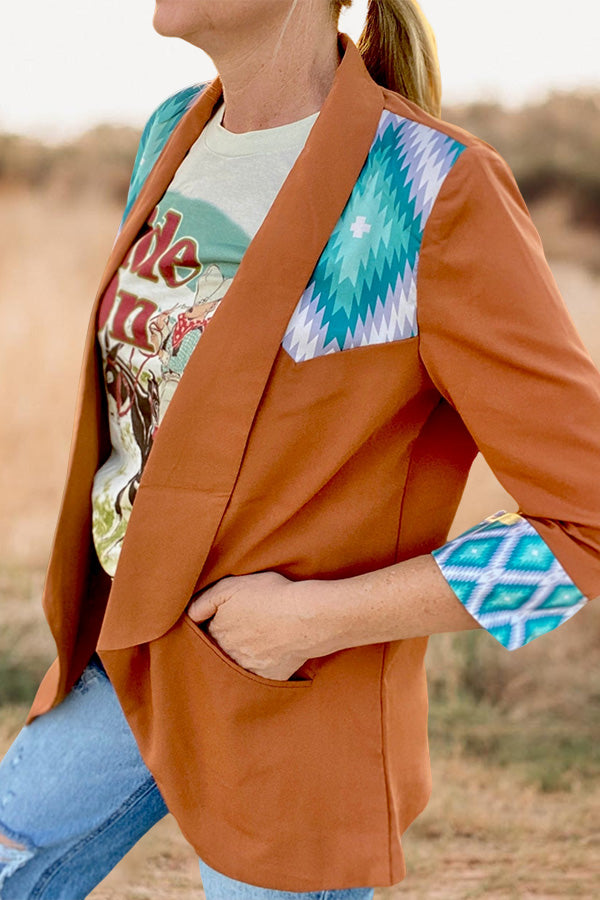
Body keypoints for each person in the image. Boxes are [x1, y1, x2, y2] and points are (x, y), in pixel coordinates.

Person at [1, 0, 599, 897]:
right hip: (130, 654)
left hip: (288, 698)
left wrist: (312, 621)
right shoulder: (174, 130)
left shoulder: (431, 188)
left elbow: (586, 523)